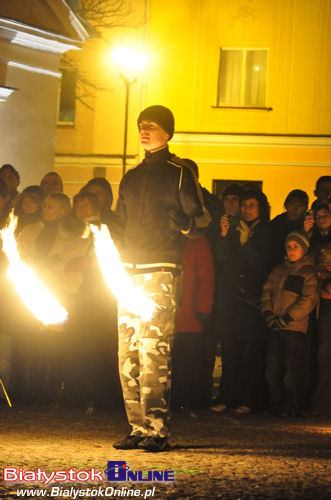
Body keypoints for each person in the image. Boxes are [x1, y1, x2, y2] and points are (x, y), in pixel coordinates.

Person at [113, 105, 204, 452]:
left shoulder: (179, 173)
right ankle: (136, 426)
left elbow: (199, 221)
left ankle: (157, 428)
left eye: (151, 125)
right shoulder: (132, 177)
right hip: (128, 271)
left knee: (153, 351)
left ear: (168, 132)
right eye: (140, 125)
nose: (144, 130)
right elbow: (121, 223)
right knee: (127, 353)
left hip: (161, 270)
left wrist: (179, 223)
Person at [212, 188, 274, 414]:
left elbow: (261, 265)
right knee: (230, 349)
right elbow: (221, 259)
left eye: (252, 205)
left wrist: (247, 242)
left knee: (250, 353)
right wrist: (224, 235)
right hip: (232, 299)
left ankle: (249, 400)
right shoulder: (235, 227)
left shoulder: (267, 232)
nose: (247, 210)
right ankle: (227, 397)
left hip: (252, 300)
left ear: (261, 208)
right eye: (244, 205)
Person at [261, 231, 318, 416]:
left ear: (305, 249)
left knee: (292, 370)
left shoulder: (308, 273)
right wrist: (268, 313)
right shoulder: (278, 271)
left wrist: (288, 317)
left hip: (294, 328)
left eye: (296, 247)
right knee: (273, 368)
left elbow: (308, 300)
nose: (292, 250)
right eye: (289, 247)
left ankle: (291, 405)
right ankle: (275, 404)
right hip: (275, 326)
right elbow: (266, 291)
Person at [171, 234, 214, 413]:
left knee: (187, 358)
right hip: (171, 310)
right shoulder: (168, 238)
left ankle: (186, 399)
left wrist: (203, 308)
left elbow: (206, 277)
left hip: (189, 311)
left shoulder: (197, 241)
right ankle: (173, 398)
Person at [270, 190, 309, 266]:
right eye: (292, 204)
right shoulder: (276, 223)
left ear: (305, 209)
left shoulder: (307, 225)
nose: (295, 209)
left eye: (299, 205)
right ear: (286, 205)